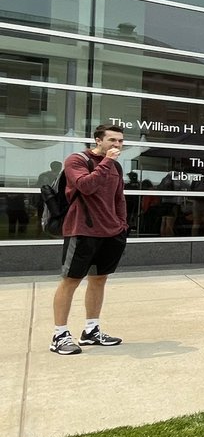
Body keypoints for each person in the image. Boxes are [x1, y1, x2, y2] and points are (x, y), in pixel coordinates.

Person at [51, 124, 128, 355]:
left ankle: (91, 331)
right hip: (82, 230)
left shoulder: (116, 167)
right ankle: (59, 335)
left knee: (99, 279)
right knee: (70, 280)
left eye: (120, 141)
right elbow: (85, 186)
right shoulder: (76, 160)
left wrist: (122, 225)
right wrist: (106, 162)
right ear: (98, 140)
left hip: (111, 232)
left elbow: (119, 198)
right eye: (112, 140)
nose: (117, 145)